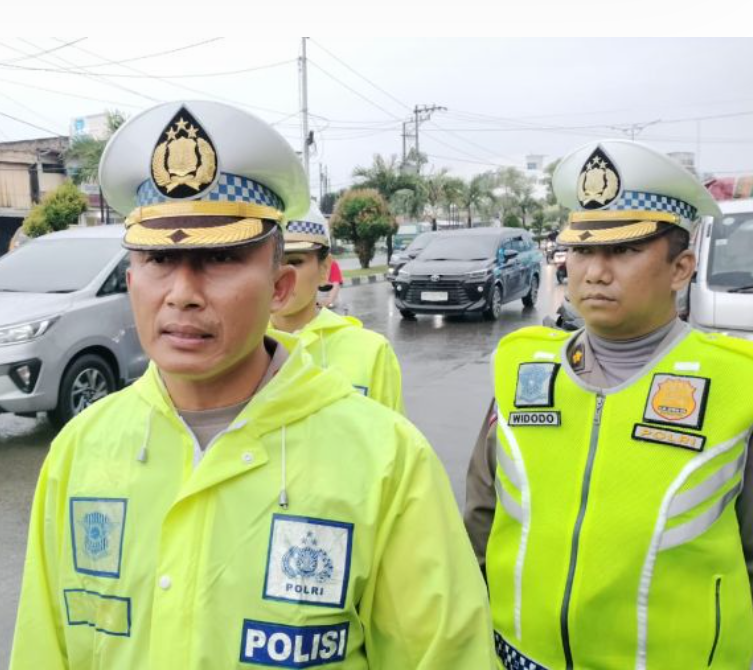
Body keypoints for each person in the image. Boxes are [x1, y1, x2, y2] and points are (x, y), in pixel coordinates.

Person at [11, 100, 496, 670]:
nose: (182, 293)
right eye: (159, 260)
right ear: (132, 277)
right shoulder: (81, 449)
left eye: (218, 258)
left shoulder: (385, 460)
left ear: (280, 285)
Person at [465, 139, 753, 669]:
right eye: (581, 249)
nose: (595, 271)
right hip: (520, 657)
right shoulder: (523, 367)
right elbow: (484, 516)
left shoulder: (738, 383)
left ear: (681, 268)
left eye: (622, 251)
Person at [271, 205, 404, 412]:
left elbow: (393, 439)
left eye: (295, 262)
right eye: (268, 263)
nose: (280, 276)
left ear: (324, 268)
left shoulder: (370, 351)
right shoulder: (237, 350)